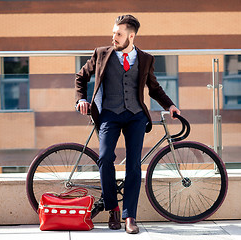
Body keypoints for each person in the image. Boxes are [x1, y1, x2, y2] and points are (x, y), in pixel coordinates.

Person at [75, 15, 180, 234]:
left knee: (133, 165)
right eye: (113, 33)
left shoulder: (145, 59)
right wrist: (82, 99)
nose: (114, 37)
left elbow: (154, 88)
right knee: (105, 158)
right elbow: (81, 76)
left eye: (119, 34)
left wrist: (170, 105)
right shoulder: (101, 54)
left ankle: (130, 216)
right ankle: (112, 208)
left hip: (135, 116)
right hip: (109, 114)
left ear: (131, 36)